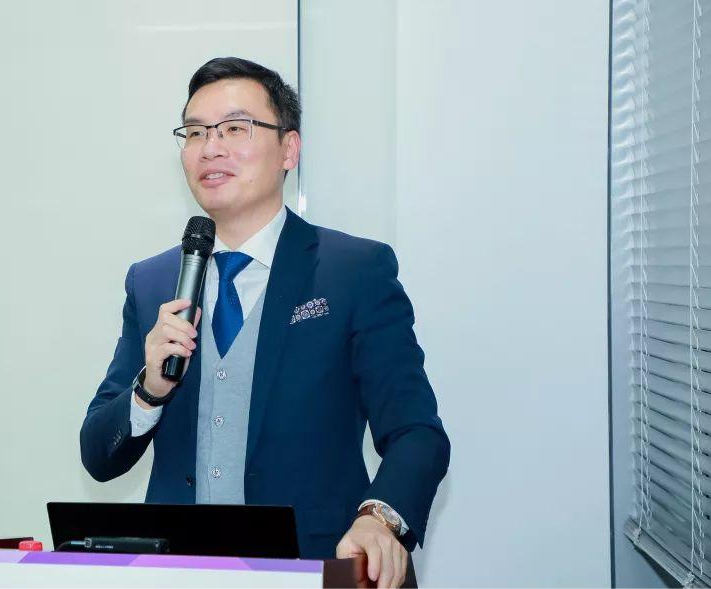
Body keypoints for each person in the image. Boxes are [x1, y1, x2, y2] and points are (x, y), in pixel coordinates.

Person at [80, 57, 449, 589]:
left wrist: (381, 518)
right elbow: (98, 455)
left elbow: (416, 431)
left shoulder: (352, 271)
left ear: (289, 149)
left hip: (316, 569)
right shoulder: (153, 281)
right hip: (181, 575)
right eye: (196, 132)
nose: (211, 147)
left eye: (235, 128)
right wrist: (148, 391)